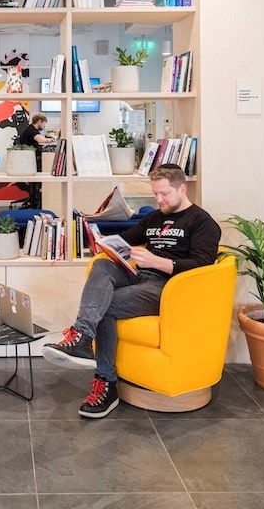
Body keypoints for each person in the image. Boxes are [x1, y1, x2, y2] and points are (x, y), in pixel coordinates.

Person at [42, 164, 221, 418]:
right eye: (155, 193)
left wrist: (157, 262)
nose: (159, 200)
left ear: (182, 189)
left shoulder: (202, 222)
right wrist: (106, 244)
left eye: (165, 194)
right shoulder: (155, 217)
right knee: (102, 265)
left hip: (168, 288)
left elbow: (201, 266)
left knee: (106, 305)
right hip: (140, 275)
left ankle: (106, 383)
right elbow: (127, 237)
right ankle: (82, 336)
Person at [15, 112, 54, 208]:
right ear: (39, 121)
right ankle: (36, 201)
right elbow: (40, 140)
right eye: (44, 123)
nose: (44, 126)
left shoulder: (30, 129)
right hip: (30, 162)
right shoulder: (32, 130)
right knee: (40, 175)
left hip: (27, 160)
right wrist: (50, 140)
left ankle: (35, 199)